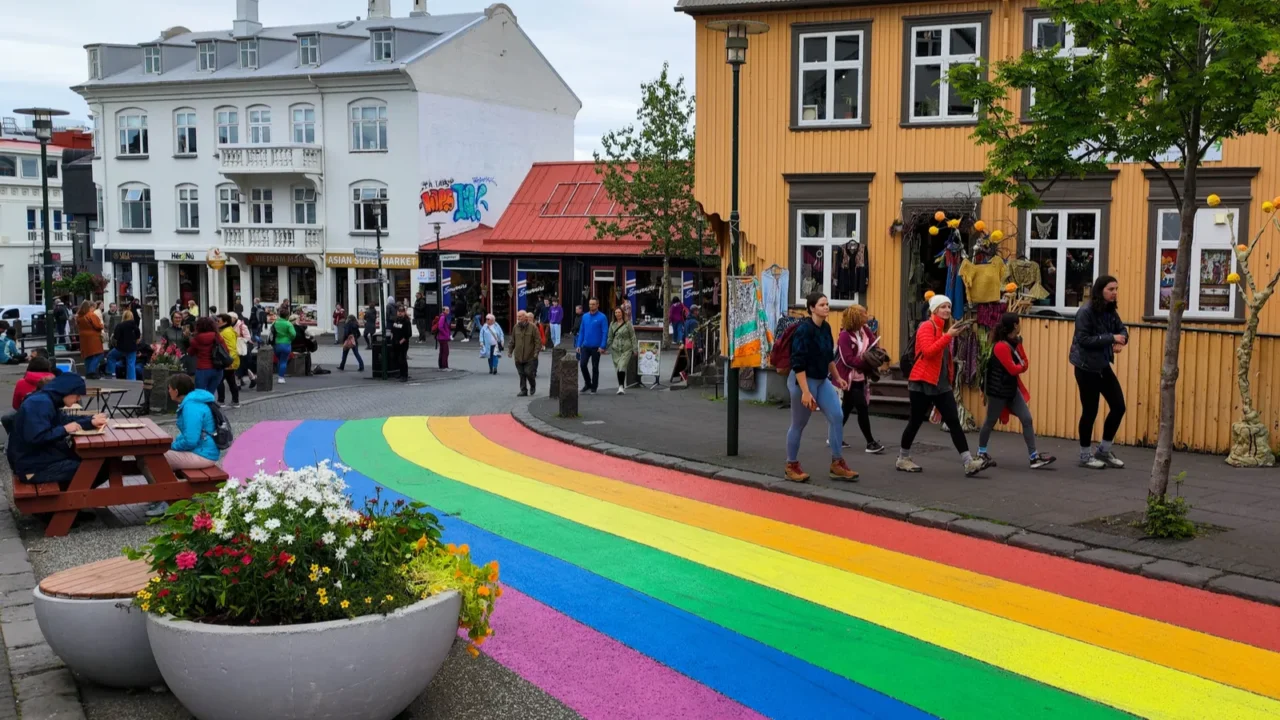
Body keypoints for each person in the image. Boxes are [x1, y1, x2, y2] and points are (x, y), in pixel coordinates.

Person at [897, 295, 986, 477]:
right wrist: (948, 336)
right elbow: (928, 352)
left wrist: (949, 336)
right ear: (934, 309)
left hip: (941, 384)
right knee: (915, 421)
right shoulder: (926, 326)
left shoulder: (944, 329)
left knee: (953, 421)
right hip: (922, 382)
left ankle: (968, 462)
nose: (947, 310)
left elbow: (943, 358)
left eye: (948, 307)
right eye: (943, 307)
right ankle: (903, 458)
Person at [782, 293, 856, 482]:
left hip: (821, 380)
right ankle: (791, 465)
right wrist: (806, 392)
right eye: (822, 304)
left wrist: (837, 377)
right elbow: (798, 363)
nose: (826, 307)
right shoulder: (804, 330)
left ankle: (837, 464)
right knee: (799, 424)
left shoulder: (826, 328)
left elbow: (829, 357)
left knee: (837, 416)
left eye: (827, 304)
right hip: (802, 381)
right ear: (811, 308)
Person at [978, 313, 1055, 470]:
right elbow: (1014, 369)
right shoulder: (1001, 347)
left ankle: (1033, 457)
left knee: (1027, 419)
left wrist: (1021, 361)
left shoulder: (1015, 342)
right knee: (990, 421)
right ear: (1015, 325)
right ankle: (981, 453)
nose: (1020, 326)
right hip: (998, 391)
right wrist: (1022, 366)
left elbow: (1024, 362)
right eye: (1019, 323)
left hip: (1011, 389)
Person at [6, 373, 107, 491]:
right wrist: (65, 429)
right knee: (96, 468)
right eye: (77, 395)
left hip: (36, 459)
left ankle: (72, 498)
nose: (78, 399)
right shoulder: (40, 403)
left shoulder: (46, 400)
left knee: (94, 463)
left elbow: (65, 420)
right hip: (32, 467)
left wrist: (90, 420)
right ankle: (70, 501)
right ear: (67, 391)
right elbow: (36, 437)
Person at [1071, 275, 1128, 469]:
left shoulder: (1110, 310)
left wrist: (1121, 340)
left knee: (1119, 406)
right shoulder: (1085, 312)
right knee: (1090, 411)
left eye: (1116, 289)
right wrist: (1111, 338)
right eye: (1111, 289)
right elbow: (1083, 340)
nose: (1114, 293)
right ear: (1100, 290)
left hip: (1102, 366)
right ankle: (1085, 455)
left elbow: (1122, 330)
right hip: (1086, 368)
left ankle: (1104, 450)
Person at [144, 373, 221, 517]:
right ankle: (162, 496)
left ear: (176, 391)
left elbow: (190, 440)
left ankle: (167, 500)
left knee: (151, 461)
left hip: (202, 454)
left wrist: (171, 447)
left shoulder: (191, 407)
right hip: (204, 450)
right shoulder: (193, 402)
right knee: (149, 459)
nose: (168, 391)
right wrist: (173, 444)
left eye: (169, 388)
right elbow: (189, 435)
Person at [834, 305, 884, 454]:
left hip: (861, 376)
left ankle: (834, 436)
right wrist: (866, 363)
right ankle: (870, 442)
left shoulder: (865, 330)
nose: (867, 316)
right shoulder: (844, 336)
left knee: (847, 408)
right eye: (864, 314)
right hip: (848, 378)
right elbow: (847, 360)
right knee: (862, 408)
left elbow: (874, 346)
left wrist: (877, 355)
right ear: (855, 317)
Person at [186, 316, 227, 395]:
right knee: (210, 393)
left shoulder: (196, 339)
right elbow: (226, 350)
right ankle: (210, 403)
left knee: (199, 394)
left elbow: (190, 352)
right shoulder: (217, 336)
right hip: (217, 368)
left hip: (202, 369)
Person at [575, 298, 608, 394]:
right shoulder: (585, 316)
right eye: (590, 304)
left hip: (596, 347)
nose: (591, 306)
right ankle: (588, 383)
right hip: (585, 346)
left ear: (597, 305)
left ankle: (594, 386)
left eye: (593, 304)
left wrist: (602, 346)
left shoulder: (602, 317)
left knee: (595, 367)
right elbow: (582, 331)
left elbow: (605, 332)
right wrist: (578, 345)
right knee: (582, 365)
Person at [508, 310, 541, 396]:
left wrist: (536, 352)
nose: (518, 318)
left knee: (528, 373)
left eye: (520, 316)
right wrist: (510, 351)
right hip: (518, 356)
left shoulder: (533, 327)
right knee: (521, 374)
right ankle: (523, 390)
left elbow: (538, 341)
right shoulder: (515, 327)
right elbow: (512, 340)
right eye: (517, 316)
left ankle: (532, 385)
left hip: (529, 355)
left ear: (525, 317)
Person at [607, 307, 637, 396]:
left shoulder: (628, 324)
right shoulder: (612, 324)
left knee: (622, 366)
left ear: (622, 313)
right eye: (616, 312)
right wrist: (603, 348)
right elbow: (610, 338)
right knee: (618, 368)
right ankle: (621, 386)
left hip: (626, 349)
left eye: (619, 312)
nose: (617, 314)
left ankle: (621, 387)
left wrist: (635, 349)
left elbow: (633, 337)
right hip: (616, 350)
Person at [105, 310, 142, 381]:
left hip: (121, 348)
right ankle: (131, 380)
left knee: (111, 356)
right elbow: (138, 338)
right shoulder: (135, 326)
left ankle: (111, 374)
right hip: (132, 348)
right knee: (131, 364)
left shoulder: (120, 325)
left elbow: (116, 338)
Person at [216, 314, 241, 407]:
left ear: (225, 322)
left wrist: (229, 360)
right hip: (229, 361)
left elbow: (232, 348)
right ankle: (235, 401)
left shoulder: (226, 332)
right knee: (230, 381)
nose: (217, 323)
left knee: (220, 380)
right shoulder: (228, 330)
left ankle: (221, 400)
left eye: (218, 321)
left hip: (227, 361)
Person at [75, 301, 106, 378]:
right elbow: (98, 326)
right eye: (94, 307)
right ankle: (91, 372)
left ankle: (88, 371)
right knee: (99, 354)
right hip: (93, 338)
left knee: (88, 356)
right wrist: (102, 325)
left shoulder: (79, 316)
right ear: (90, 307)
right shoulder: (91, 315)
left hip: (83, 338)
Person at [271, 311, 296, 384]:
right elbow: (293, 334)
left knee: (279, 360)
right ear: (287, 316)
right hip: (286, 344)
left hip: (276, 344)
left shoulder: (275, 323)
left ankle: (279, 373)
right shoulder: (288, 324)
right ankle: (281, 377)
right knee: (283, 361)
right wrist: (289, 339)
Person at [391, 305, 413, 382]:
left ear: (404, 312)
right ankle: (400, 373)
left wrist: (401, 341)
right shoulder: (396, 320)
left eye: (401, 312)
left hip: (403, 344)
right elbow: (393, 330)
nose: (400, 313)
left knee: (402, 359)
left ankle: (405, 375)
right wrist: (393, 339)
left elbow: (408, 334)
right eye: (399, 311)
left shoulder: (406, 321)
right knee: (397, 359)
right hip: (395, 342)